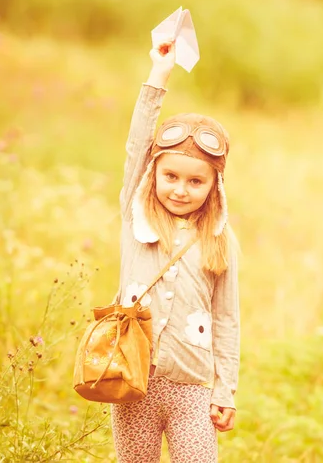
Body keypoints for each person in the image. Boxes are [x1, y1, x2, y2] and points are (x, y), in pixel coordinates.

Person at [110, 40, 240, 463]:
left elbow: (226, 318)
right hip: (133, 382)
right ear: (154, 173)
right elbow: (137, 145)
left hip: (192, 392)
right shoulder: (137, 217)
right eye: (170, 176)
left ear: (214, 185)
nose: (180, 189)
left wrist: (225, 390)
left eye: (195, 181)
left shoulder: (220, 238)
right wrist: (159, 74)